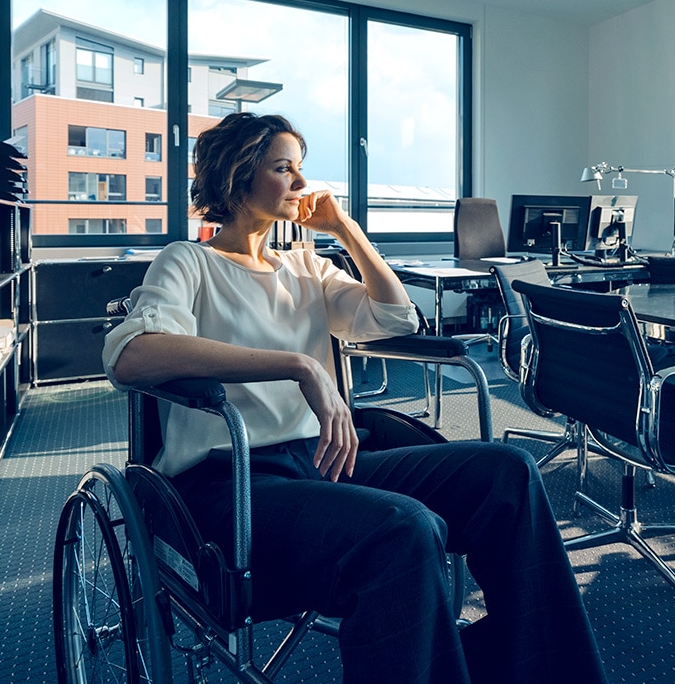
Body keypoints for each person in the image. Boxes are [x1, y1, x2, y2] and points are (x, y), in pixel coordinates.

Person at [103, 112, 607, 684]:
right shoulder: (189, 261)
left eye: (300, 168)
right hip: (232, 482)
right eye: (284, 169)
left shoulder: (306, 267)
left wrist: (345, 229)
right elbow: (133, 355)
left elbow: (395, 317)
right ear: (237, 177)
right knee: (404, 527)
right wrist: (298, 367)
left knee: (508, 473)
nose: (301, 183)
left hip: (323, 461)